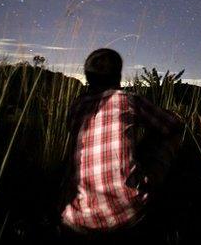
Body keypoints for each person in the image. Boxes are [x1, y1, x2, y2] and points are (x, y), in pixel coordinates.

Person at [60, 48, 182, 237]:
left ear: (87, 77)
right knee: (169, 134)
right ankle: (171, 194)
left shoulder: (77, 105)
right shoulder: (127, 100)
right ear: (118, 76)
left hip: (75, 218)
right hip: (125, 214)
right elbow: (173, 124)